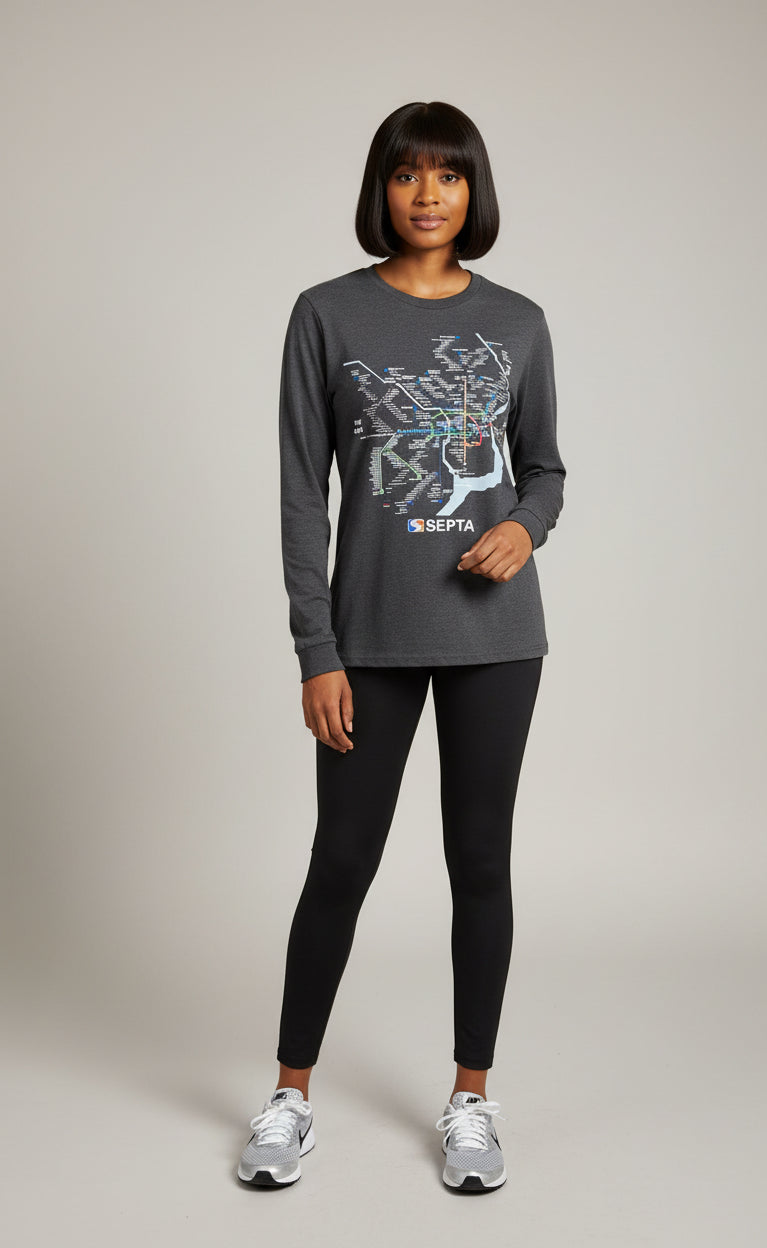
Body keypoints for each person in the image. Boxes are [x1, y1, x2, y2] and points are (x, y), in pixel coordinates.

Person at [237, 99, 566, 1194]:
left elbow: (545, 468)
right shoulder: (326, 315)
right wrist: (315, 649)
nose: (428, 194)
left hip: (496, 639)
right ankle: (290, 1096)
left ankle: (472, 1099)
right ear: (381, 188)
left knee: (481, 862)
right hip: (367, 640)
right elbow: (302, 494)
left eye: (449, 175)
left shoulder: (519, 322)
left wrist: (525, 526)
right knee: (342, 861)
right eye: (408, 174)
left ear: (474, 192)